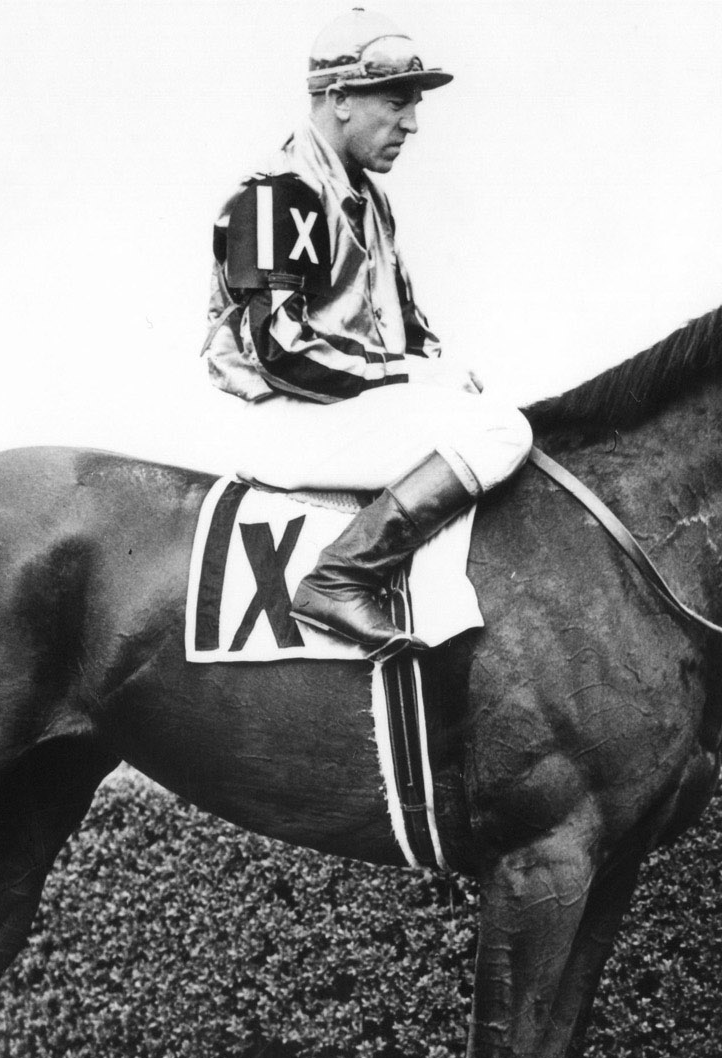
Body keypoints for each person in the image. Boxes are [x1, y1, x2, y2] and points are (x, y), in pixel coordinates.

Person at [204, 7, 533, 659]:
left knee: (485, 414)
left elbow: (414, 340)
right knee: (502, 431)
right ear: (339, 99)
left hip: (338, 412)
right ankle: (338, 577)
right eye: (396, 101)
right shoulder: (279, 192)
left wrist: (437, 375)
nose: (411, 122)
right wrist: (415, 376)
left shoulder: (371, 200)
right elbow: (281, 353)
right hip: (279, 416)